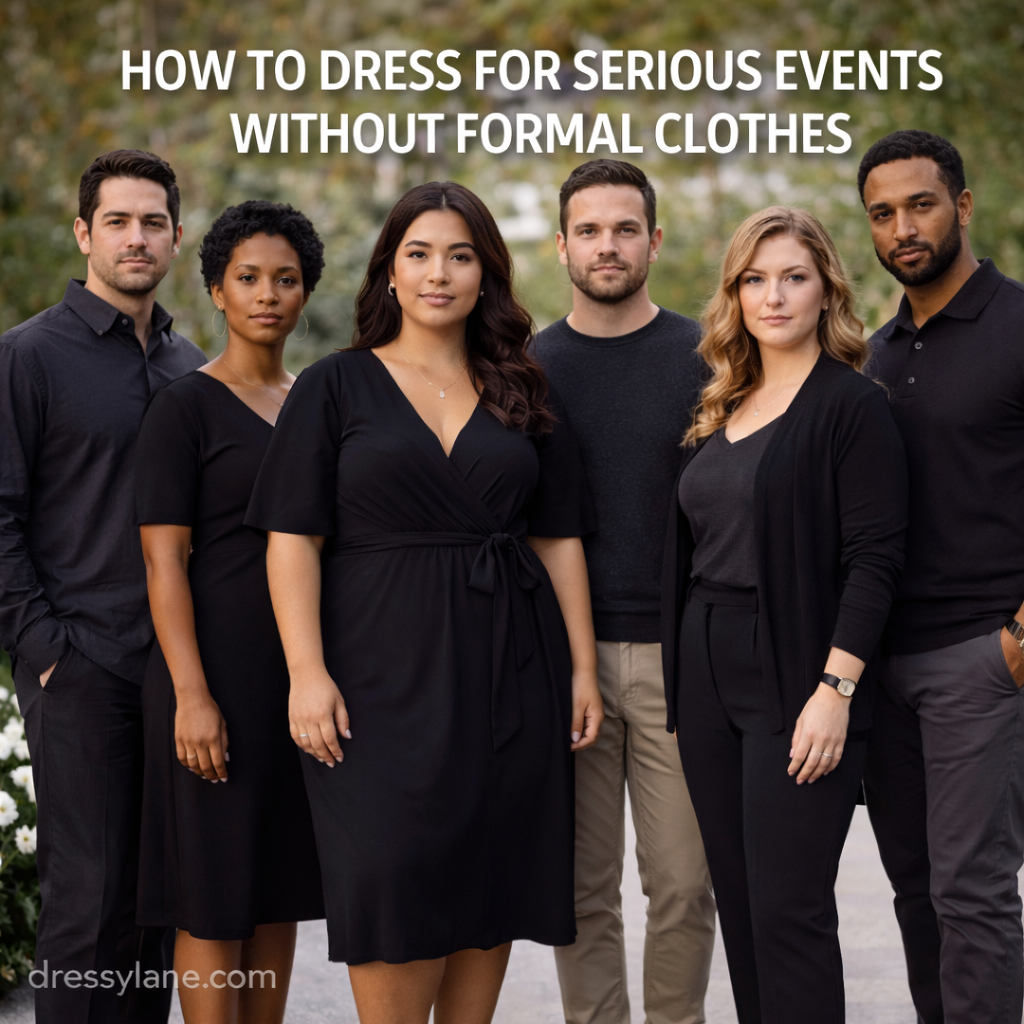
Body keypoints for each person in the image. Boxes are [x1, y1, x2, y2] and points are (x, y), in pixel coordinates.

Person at [244, 180, 603, 1024]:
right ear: (390, 273)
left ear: (486, 273)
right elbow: (291, 538)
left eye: (460, 254)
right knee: (391, 890)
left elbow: (557, 538)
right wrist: (305, 673)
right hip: (375, 687)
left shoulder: (526, 390)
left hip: (511, 680)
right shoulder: (335, 387)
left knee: (490, 889)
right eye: (418, 253)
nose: (439, 272)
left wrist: (582, 669)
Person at [662, 206, 907, 1024]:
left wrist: (835, 688)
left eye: (794, 277)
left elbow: (876, 559)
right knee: (739, 903)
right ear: (735, 294)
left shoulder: (852, 406)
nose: (774, 296)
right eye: (755, 279)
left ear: (825, 288)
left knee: (788, 907)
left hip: (798, 664)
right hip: (704, 665)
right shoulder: (719, 405)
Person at [0, 150, 206, 1023]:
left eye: (152, 222)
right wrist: (46, 651)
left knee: (156, 908)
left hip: (178, 677)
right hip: (80, 669)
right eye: (117, 221)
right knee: (86, 906)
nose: (136, 237)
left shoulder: (190, 364)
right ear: (85, 233)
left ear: (175, 236)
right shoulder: (27, 357)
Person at [531, 159, 715, 1024]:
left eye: (626, 229)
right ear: (562, 244)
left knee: (683, 884)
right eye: (591, 231)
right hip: (564, 662)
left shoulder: (709, 358)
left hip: (682, 655)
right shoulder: (526, 368)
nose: (609, 246)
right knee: (580, 888)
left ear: (654, 240)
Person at [134, 201, 326, 1024]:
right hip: (210, 676)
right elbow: (162, 560)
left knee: (274, 887)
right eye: (248, 278)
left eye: (286, 280)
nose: (267, 295)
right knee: (212, 896)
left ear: (306, 293)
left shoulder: (313, 403)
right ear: (215, 289)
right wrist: (191, 694)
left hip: (294, 685)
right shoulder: (185, 407)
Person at [858, 129, 1024, 1024]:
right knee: (916, 891)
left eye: (920, 204)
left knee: (973, 892)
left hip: (981, 655)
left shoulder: (1019, 324)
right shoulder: (878, 353)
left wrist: (1020, 640)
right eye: (882, 214)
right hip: (887, 669)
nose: (903, 228)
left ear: (961, 206)